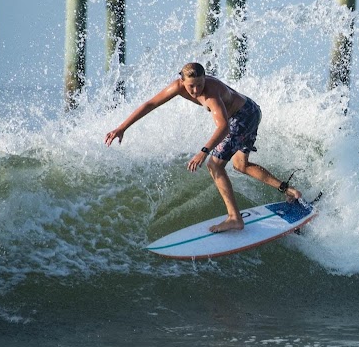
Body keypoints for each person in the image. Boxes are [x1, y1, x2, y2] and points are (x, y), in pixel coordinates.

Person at [104, 62, 301, 233]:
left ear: (205, 78)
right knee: (241, 165)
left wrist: (203, 152)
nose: (196, 91)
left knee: (215, 165)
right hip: (249, 111)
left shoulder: (211, 95)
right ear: (182, 81)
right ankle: (289, 190)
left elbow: (223, 127)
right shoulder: (177, 87)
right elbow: (150, 104)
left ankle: (234, 218)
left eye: (200, 84)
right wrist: (122, 127)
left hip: (242, 117)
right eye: (191, 86)